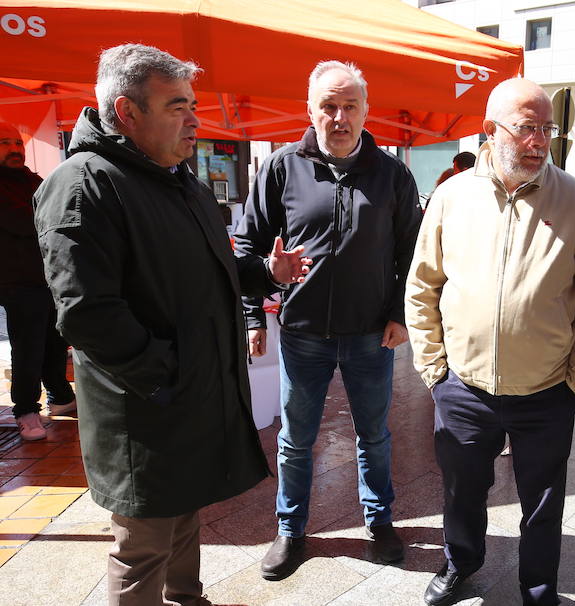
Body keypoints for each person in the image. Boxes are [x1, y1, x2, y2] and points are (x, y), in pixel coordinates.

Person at [33, 44, 308, 606]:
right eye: (176, 105)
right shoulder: (84, 184)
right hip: (144, 411)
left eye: (192, 104)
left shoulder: (178, 179)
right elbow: (87, 312)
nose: (194, 119)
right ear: (127, 112)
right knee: (143, 549)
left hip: (186, 397)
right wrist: (167, 373)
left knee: (186, 519)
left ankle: (188, 599)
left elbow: (211, 263)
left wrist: (263, 272)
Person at [406, 77, 575, 606]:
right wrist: (435, 372)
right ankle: (461, 563)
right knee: (461, 492)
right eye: (526, 128)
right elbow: (422, 286)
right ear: (489, 130)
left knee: (542, 502)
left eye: (546, 129)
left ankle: (539, 589)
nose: (538, 141)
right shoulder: (452, 196)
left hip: (547, 391)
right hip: (463, 387)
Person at [233, 60, 422, 581]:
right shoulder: (279, 168)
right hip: (302, 335)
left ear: (365, 111)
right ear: (310, 110)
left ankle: (379, 521)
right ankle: (290, 529)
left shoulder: (392, 175)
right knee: (296, 438)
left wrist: (401, 314)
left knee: (374, 434)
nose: (339, 117)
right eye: (328, 106)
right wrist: (257, 310)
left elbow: (415, 252)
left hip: (370, 335)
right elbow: (247, 247)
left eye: (349, 106)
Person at [0, 122, 76, 441]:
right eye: (5, 143)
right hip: (16, 280)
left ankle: (60, 397)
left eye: (17, 143)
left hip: (48, 277)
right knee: (28, 346)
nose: (15, 149)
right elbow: (23, 221)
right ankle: (26, 411)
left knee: (55, 341)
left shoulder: (33, 180)